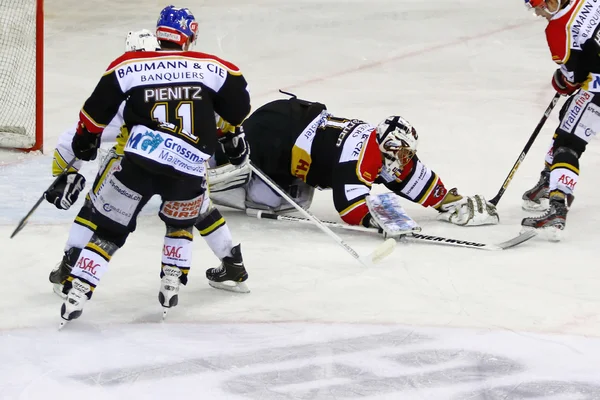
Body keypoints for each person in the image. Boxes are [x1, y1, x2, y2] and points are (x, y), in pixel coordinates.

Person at [57, 5, 251, 326]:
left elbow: (95, 110)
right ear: (189, 34)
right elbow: (238, 103)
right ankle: (171, 280)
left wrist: (86, 139)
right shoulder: (213, 67)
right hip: (188, 169)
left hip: (138, 162)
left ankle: (80, 286)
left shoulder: (129, 64)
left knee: (109, 230)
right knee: (180, 223)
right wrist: (231, 131)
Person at [208, 94, 499, 228]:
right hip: (276, 135)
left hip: (296, 121)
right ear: (390, 148)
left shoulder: (383, 145)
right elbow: (349, 209)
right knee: (266, 198)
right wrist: (380, 221)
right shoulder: (359, 158)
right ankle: (202, 180)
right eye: (403, 153)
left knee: (299, 198)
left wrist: (449, 201)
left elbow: (412, 176)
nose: (406, 158)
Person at [521, 0, 597, 238]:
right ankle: (548, 177)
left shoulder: (558, 29)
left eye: (539, 7)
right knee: (568, 115)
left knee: (568, 142)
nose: (538, 13)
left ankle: (557, 204)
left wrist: (561, 81)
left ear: (552, 2)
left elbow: (572, 79)